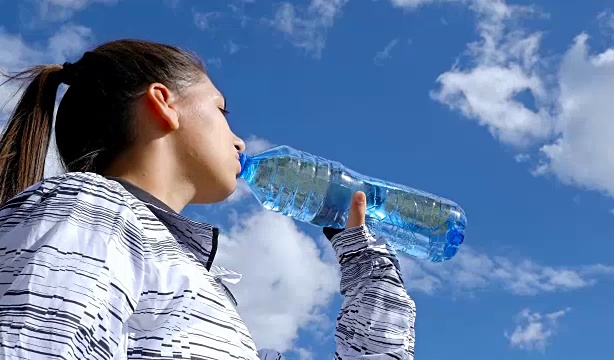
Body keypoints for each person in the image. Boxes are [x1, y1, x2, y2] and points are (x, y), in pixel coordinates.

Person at [0, 39, 416, 359]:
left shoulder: (188, 279)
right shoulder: (86, 209)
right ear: (164, 104)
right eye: (222, 110)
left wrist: (366, 262)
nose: (238, 140)